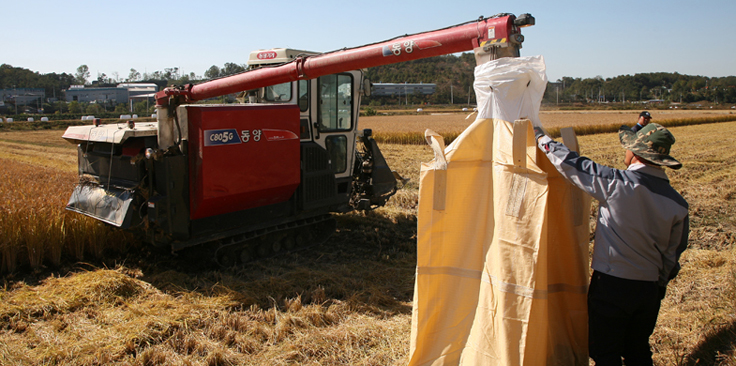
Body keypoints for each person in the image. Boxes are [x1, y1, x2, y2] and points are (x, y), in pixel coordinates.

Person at [534, 122, 689, 366]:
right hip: (648, 290)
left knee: (605, 352)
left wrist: (542, 139)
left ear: (635, 154)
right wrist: (658, 286)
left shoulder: (616, 183)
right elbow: (673, 253)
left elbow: (572, 165)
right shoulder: (678, 204)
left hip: (612, 285)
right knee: (638, 349)